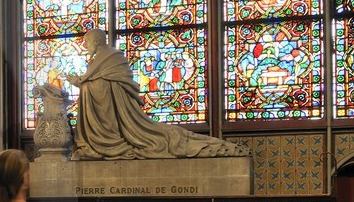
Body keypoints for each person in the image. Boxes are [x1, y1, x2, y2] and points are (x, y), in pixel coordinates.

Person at [67, 27, 245, 159]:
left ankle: (107, 144)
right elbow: (99, 83)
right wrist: (83, 84)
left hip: (114, 124)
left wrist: (83, 84)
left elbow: (104, 87)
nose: (85, 46)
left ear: (96, 41)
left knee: (159, 139)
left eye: (87, 42)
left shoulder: (112, 57)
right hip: (110, 118)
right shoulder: (101, 59)